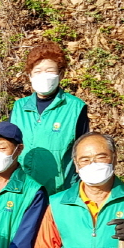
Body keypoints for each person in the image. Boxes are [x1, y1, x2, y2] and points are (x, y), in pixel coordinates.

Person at [10, 41, 90, 195]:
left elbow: (84, 150)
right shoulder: (19, 107)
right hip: (23, 190)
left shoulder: (75, 107)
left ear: (61, 74)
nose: (43, 76)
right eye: (38, 71)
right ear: (30, 75)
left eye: (49, 70)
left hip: (60, 191)